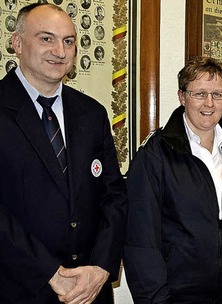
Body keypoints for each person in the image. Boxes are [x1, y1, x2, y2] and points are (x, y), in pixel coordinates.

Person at [0, 3, 127, 303]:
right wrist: (50, 272)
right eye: (46, 38)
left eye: (68, 41)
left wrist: (100, 268)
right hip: (19, 289)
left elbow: (114, 195)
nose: (60, 50)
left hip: (90, 289)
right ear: (17, 43)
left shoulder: (92, 113)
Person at [124, 57, 222, 304]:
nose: (209, 104)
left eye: (218, 94)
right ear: (182, 97)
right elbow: (141, 239)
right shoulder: (155, 155)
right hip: (177, 296)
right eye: (200, 94)